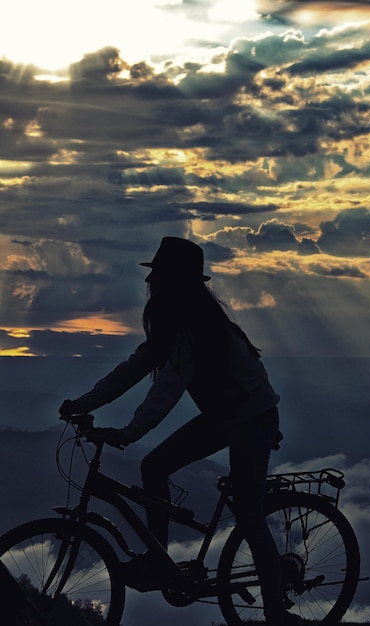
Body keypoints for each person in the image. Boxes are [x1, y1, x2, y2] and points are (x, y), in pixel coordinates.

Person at [59, 236, 299, 626]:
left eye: (160, 278)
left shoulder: (197, 328)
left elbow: (166, 388)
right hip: (226, 416)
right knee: (154, 468)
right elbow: (134, 368)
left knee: (250, 515)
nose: (153, 284)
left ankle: (276, 613)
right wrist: (82, 404)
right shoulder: (175, 327)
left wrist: (129, 432)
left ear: (177, 284)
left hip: (253, 418)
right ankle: (158, 562)